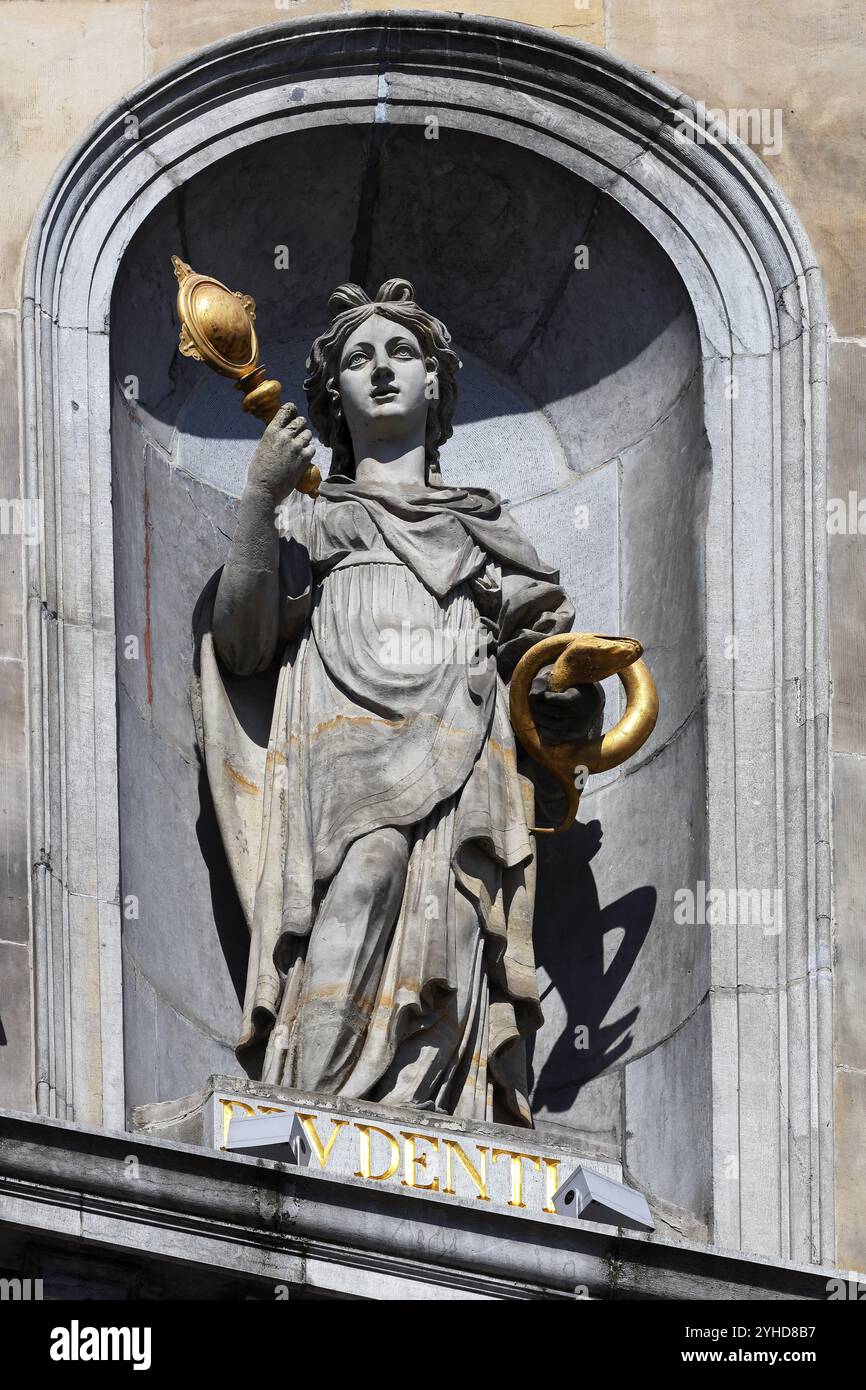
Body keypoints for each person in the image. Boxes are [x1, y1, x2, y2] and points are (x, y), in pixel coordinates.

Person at [194, 277, 601, 1127]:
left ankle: (430, 1111)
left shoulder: (486, 530)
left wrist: (561, 688)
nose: (381, 370)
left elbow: (543, 673)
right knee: (366, 872)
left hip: (465, 743)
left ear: (435, 386)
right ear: (332, 395)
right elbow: (240, 643)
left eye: (402, 353)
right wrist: (263, 498)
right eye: (357, 358)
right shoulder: (312, 520)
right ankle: (308, 1099)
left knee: (449, 910)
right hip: (341, 744)